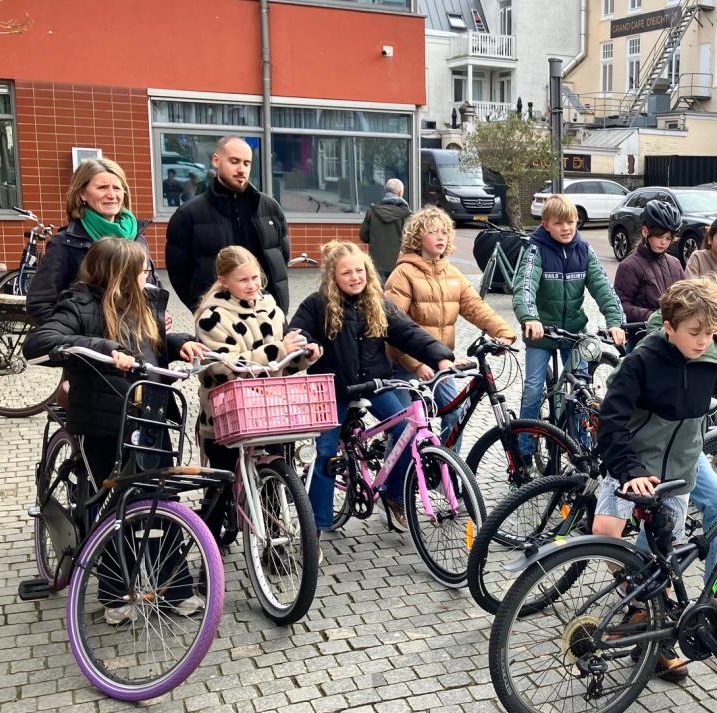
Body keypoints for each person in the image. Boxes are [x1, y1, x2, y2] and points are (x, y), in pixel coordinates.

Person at [595, 277, 717, 681]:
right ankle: (636, 600)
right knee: (605, 533)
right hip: (639, 461)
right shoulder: (643, 360)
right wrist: (630, 471)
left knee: (662, 562)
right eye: (694, 333)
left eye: (710, 332)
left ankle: (656, 638)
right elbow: (611, 420)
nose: (703, 341)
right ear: (669, 326)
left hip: (683, 465)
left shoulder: (711, 356)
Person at [24, 237, 210, 625]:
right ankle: (115, 592)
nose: (149, 276)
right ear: (120, 273)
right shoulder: (80, 303)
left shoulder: (148, 302)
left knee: (162, 500)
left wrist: (181, 343)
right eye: (143, 270)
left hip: (150, 414)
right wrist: (103, 347)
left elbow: (152, 346)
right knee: (111, 508)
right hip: (105, 421)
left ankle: (173, 587)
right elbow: (40, 341)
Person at [290, 240, 456, 533]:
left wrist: (441, 357)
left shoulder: (378, 304)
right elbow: (297, 330)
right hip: (332, 387)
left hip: (374, 383)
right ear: (333, 277)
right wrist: (304, 342)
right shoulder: (317, 305)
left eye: (359, 271)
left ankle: (393, 496)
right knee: (326, 451)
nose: (355, 278)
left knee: (408, 431)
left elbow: (409, 333)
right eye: (346, 273)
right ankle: (315, 527)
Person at [193, 246, 320, 544]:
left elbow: (281, 366)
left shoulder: (270, 307)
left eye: (256, 277)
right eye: (244, 280)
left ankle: (274, 546)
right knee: (219, 485)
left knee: (274, 480)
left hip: (269, 410)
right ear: (223, 281)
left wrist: (303, 354)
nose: (253, 285)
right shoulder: (212, 316)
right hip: (227, 415)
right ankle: (208, 551)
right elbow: (223, 368)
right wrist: (278, 351)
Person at [384, 207, 515, 447]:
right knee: (405, 429)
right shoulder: (403, 274)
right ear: (418, 238)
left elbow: (476, 307)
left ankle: (446, 470)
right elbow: (390, 326)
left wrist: (503, 332)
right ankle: (395, 482)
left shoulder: (452, 274)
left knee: (455, 414)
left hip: (440, 364)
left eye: (445, 232)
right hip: (406, 366)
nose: (441, 237)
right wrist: (416, 364)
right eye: (433, 232)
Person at [512, 194, 626, 456]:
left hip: (573, 332)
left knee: (581, 388)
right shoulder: (535, 250)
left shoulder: (584, 251)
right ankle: (525, 451)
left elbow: (603, 289)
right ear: (546, 224)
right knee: (532, 389)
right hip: (541, 333)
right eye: (559, 223)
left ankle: (579, 443)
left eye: (571, 222)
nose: (566, 228)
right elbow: (525, 286)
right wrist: (530, 317)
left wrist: (615, 322)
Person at [167, 136, 292, 313]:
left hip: (268, 315)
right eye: (234, 161)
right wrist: (204, 310)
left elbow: (280, 259)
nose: (241, 169)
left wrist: (278, 309)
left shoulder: (270, 208)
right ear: (216, 160)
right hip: (219, 323)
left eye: (247, 163)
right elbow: (179, 273)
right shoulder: (188, 215)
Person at [27, 158, 154, 325]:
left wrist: (158, 315)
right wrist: (74, 336)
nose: (112, 195)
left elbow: (152, 288)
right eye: (102, 188)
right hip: (92, 347)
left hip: (135, 340)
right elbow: (40, 303)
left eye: (117, 188)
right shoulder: (64, 244)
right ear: (82, 194)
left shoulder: (137, 237)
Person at [613, 200, 684, 325]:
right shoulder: (629, 266)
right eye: (659, 236)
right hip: (642, 333)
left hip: (673, 333)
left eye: (668, 238)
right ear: (645, 231)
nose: (664, 242)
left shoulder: (675, 264)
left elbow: (686, 297)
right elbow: (619, 305)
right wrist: (651, 316)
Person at [361, 178, 412, 282]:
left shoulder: (372, 211)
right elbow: (411, 241)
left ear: (386, 191)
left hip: (376, 265)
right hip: (399, 265)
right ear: (400, 193)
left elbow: (363, 236)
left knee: (377, 295)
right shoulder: (407, 215)